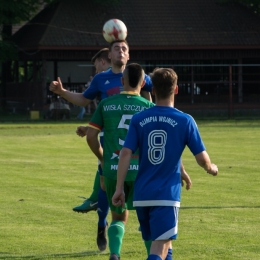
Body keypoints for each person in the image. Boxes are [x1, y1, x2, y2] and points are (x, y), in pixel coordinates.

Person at [49, 42, 153, 252]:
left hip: (133, 142)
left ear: (129, 54)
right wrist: (63, 92)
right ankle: (101, 221)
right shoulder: (101, 78)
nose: (121, 51)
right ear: (109, 54)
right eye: (117, 48)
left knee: (111, 185)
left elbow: (149, 98)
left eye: (124, 49)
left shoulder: (139, 75)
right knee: (108, 185)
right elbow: (83, 100)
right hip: (108, 141)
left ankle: (102, 217)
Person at [112, 68, 218, 260]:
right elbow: (202, 158)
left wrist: (119, 188)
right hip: (165, 196)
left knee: (165, 245)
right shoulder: (185, 120)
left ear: (152, 91)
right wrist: (211, 167)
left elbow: (126, 152)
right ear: (176, 89)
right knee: (159, 247)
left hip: (142, 195)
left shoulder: (139, 119)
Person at [86, 63, 154, 260]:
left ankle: (115, 253)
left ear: (122, 81)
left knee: (118, 216)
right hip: (140, 172)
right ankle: (153, 255)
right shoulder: (148, 107)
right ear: (142, 83)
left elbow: (91, 136)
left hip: (114, 169)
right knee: (147, 219)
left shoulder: (106, 104)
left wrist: (103, 158)